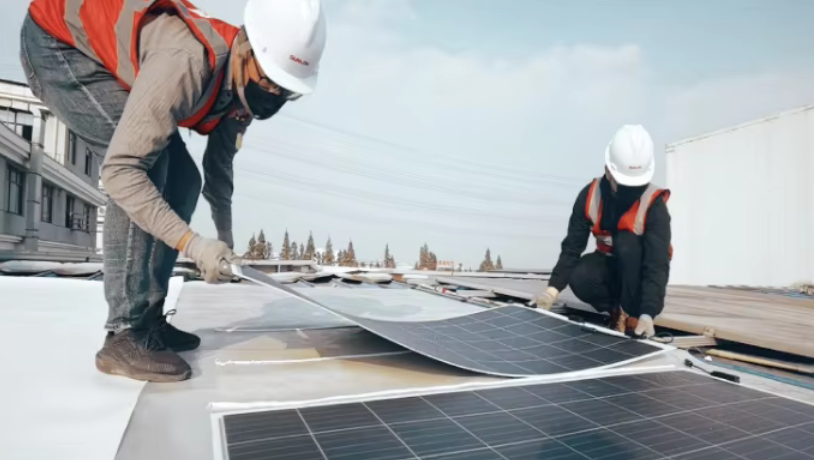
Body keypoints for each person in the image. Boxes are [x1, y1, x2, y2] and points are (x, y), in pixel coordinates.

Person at [19, 0, 327, 382]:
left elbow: (218, 172)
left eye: (285, 91)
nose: (272, 96)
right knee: (148, 167)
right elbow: (121, 171)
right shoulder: (188, 62)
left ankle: (149, 321)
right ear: (246, 49)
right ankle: (125, 333)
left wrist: (224, 241)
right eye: (267, 81)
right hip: (56, 44)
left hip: (102, 54)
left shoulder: (243, 92)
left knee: (185, 180)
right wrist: (195, 246)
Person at [533, 125, 672, 339]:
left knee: (627, 243)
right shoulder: (590, 197)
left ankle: (633, 314)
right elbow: (572, 247)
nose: (631, 190)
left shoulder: (653, 204)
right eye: (625, 183)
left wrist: (647, 311)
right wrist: (553, 289)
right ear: (608, 170)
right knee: (580, 275)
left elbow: (657, 263)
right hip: (609, 268)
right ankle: (616, 310)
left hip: (640, 275)